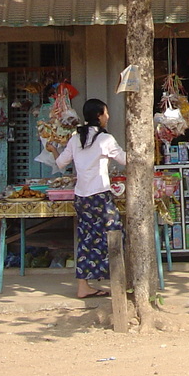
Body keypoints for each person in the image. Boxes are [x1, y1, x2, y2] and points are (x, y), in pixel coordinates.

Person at [56, 98, 126, 299]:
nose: (108, 116)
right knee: (115, 233)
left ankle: (83, 285)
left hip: (81, 198)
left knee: (86, 239)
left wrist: (52, 150)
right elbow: (124, 160)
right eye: (106, 113)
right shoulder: (105, 139)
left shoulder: (75, 138)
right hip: (100, 197)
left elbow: (61, 163)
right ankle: (117, 280)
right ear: (98, 116)